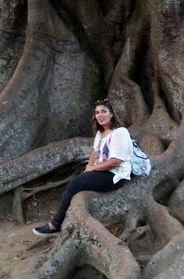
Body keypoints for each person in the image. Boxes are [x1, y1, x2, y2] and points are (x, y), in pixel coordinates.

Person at [33, 98, 133, 236]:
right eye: (97, 112)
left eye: (104, 111)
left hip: (116, 175)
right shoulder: (100, 133)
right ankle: (62, 219)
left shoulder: (119, 132)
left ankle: (55, 224)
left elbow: (116, 161)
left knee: (75, 183)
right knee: (78, 179)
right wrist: (90, 166)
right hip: (103, 171)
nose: (100, 115)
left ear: (112, 114)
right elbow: (95, 152)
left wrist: (93, 169)